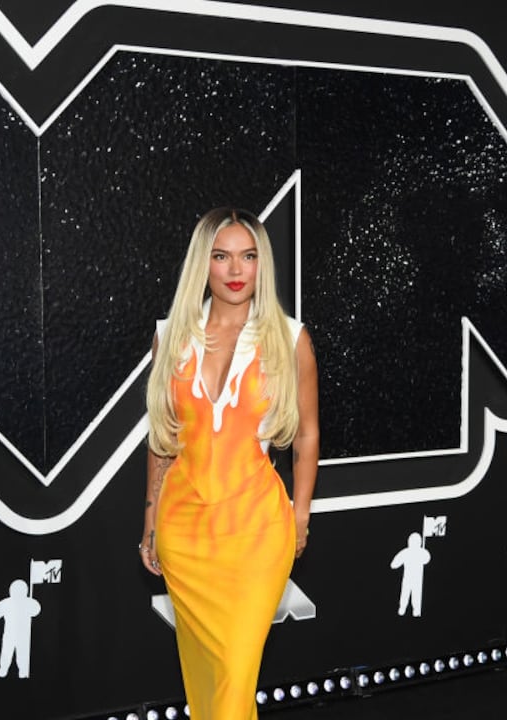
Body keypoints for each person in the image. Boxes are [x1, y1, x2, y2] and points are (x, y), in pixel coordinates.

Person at [140, 207, 319, 719]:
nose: (236, 270)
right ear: (204, 263)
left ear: (262, 265)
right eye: (221, 256)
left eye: (249, 256)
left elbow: (307, 434)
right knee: (204, 680)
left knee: (236, 676)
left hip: (257, 534)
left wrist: (301, 515)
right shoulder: (172, 335)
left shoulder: (290, 338)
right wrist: (150, 521)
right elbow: (162, 437)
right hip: (185, 532)